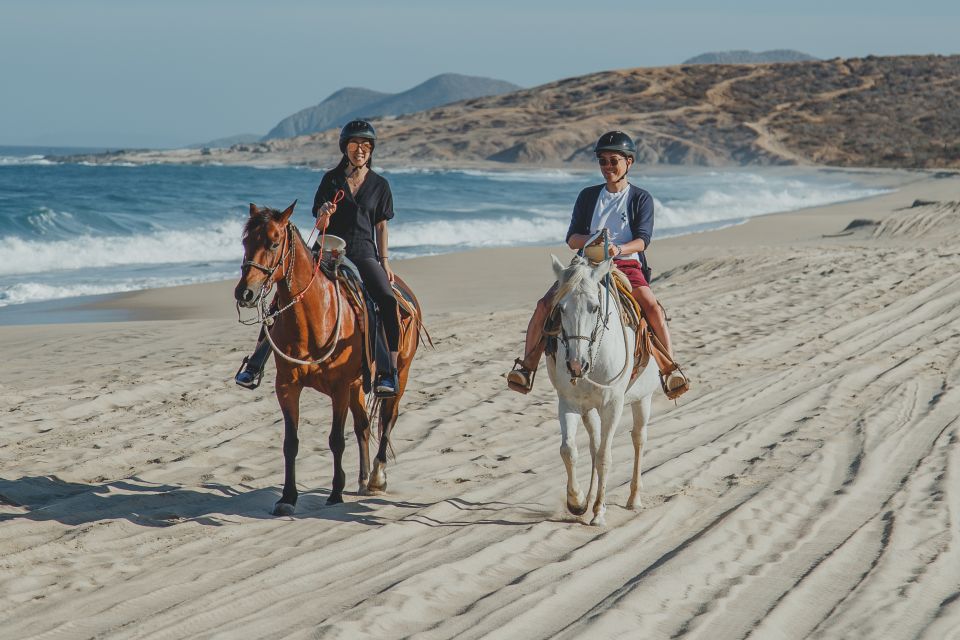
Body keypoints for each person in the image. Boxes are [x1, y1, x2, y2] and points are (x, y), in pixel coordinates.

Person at [506, 131, 690, 399]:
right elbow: (572, 239)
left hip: (626, 265)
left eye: (613, 161)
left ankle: (669, 370)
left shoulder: (641, 198)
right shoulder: (588, 196)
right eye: (602, 161)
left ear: (629, 162)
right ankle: (527, 367)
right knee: (544, 305)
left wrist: (618, 249)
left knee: (652, 308)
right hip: (585, 264)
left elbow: (643, 240)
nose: (607, 167)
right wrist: (595, 241)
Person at [235, 119, 402, 396]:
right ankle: (255, 364)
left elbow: (381, 225)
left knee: (384, 299)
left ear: (371, 150)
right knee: (280, 301)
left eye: (365, 145)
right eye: (354, 144)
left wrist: (384, 261)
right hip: (326, 250)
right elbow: (319, 221)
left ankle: (388, 371)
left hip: (363, 253)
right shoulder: (331, 180)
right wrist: (324, 214)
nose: (360, 149)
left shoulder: (380, 185)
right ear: (345, 148)